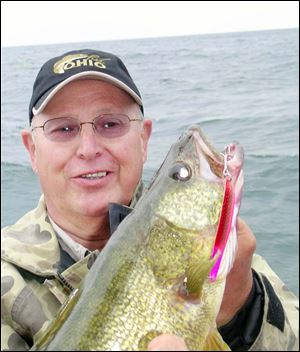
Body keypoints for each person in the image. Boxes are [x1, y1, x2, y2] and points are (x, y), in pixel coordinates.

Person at [1, 49, 298, 351]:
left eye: (110, 124)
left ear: (143, 140)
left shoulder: (234, 263)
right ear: (32, 150)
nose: (88, 149)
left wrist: (241, 310)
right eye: (64, 129)